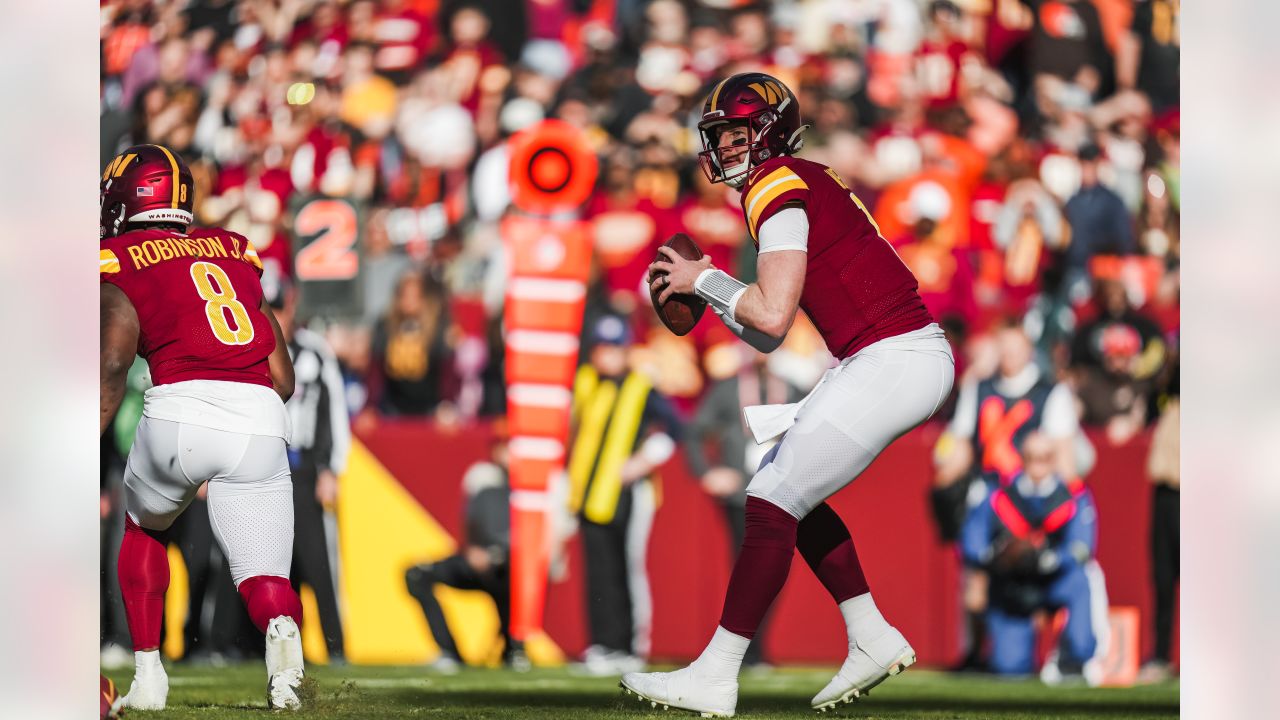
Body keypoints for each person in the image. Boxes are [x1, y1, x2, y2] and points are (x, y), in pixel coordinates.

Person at [624, 72, 955, 715]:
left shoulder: (776, 183)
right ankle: (870, 634)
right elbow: (772, 335)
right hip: (890, 355)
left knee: (772, 496)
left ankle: (716, 674)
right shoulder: (796, 180)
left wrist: (706, 278)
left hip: (896, 353)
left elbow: (772, 315)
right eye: (716, 136)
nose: (721, 148)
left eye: (732, 133)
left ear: (766, 131)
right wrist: (711, 294)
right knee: (782, 486)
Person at [100, 145, 305, 710]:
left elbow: (114, 361)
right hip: (260, 417)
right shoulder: (234, 249)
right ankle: (285, 667)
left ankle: (148, 676)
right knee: (264, 576)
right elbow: (282, 377)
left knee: (143, 530)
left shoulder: (119, 256)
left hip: (180, 411)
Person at [569, 315, 684, 677]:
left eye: (613, 349)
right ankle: (603, 644)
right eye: (601, 349)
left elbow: (677, 428)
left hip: (628, 494)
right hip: (589, 494)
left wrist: (645, 459)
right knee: (598, 573)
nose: (606, 356)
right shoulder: (586, 383)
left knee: (627, 568)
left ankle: (631, 646)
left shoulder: (641, 386)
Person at [684, 347, 805, 670]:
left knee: (770, 569)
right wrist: (707, 472)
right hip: (740, 496)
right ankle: (744, 651)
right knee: (747, 570)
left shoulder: (791, 389)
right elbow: (695, 432)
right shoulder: (728, 388)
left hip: (780, 494)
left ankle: (756, 650)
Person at [960, 432, 1105, 684]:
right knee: (1009, 669)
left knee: (1082, 579)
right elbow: (973, 539)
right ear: (1022, 458)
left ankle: (1074, 658)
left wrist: (1048, 559)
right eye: (1032, 457)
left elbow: (1082, 547)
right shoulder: (999, 494)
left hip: (1054, 581)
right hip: (1012, 586)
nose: (1038, 464)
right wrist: (998, 555)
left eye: (1044, 457)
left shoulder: (1072, 496)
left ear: (1053, 459)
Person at [271, 284, 350, 663]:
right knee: (263, 563)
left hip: (302, 468)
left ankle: (336, 647)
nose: (274, 316)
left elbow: (335, 409)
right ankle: (247, 647)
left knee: (319, 562)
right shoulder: (247, 345)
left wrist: (332, 467)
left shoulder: (315, 351)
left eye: (278, 307)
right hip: (263, 469)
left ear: (292, 305)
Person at [404, 434, 528, 673]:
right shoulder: (481, 479)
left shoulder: (536, 487)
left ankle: (514, 649)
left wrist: (496, 555)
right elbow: (470, 528)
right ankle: (449, 652)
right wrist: (473, 551)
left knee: (516, 577)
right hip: (476, 561)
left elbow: (539, 542)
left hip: (509, 567)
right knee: (417, 574)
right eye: (502, 447)